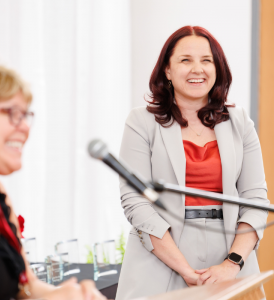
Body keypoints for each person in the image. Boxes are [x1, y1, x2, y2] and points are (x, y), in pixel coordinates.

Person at [116, 26, 269, 300]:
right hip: (161, 256)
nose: (197, 69)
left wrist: (231, 263)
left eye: (206, 60)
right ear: (167, 70)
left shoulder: (240, 122)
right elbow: (135, 201)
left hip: (230, 258)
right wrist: (184, 269)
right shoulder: (141, 121)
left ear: (217, 69)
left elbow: (255, 198)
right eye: (185, 60)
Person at [0, 61, 106, 300]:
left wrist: (66, 295)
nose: (24, 127)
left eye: (25, 115)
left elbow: (26, 287)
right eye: (12, 114)